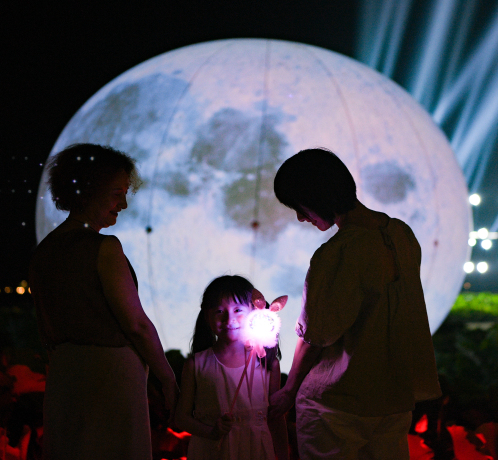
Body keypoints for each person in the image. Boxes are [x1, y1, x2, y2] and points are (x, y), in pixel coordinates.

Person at [269, 148, 442, 460]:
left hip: (336, 406)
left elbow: (315, 336)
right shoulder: (401, 234)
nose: (300, 217)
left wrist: (289, 391)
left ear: (315, 196)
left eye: (300, 206)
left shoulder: (338, 252)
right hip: (392, 400)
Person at [29, 143, 179, 460]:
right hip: (109, 377)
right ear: (89, 190)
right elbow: (135, 323)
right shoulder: (104, 247)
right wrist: (167, 378)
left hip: (64, 376)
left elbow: (45, 329)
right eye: (116, 193)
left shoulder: (43, 253)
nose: (123, 203)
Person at [175, 275, 289, 460]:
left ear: (254, 311)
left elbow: (276, 417)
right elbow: (182, 417)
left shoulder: (267, 364)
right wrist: (211, 431)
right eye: (220, 311)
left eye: (238, 309)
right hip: (212, 450)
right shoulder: (197, 365)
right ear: (207, 316)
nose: (230, 318)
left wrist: (284, 455)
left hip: (255, 449)